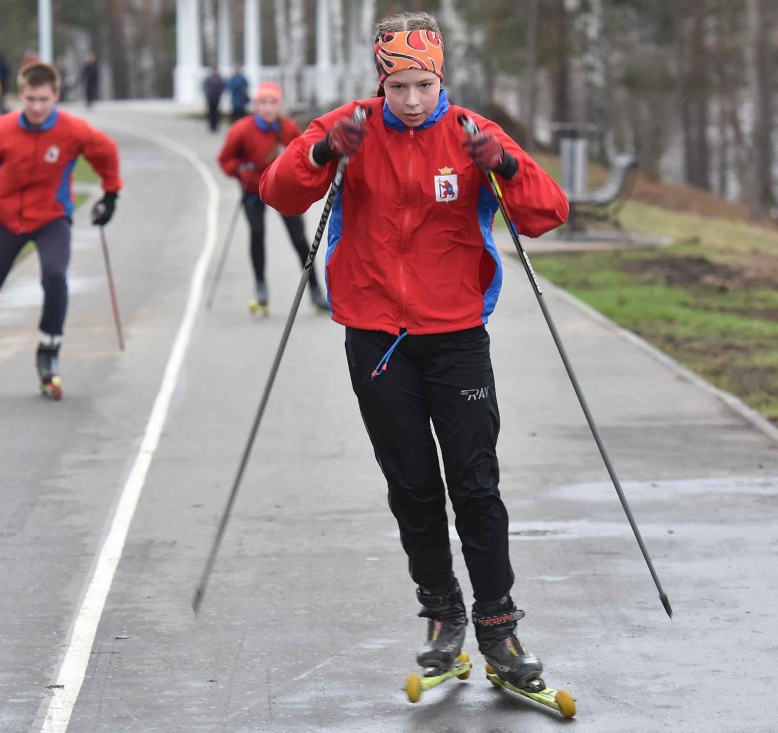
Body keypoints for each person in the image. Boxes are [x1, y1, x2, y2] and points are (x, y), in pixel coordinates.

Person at [260, 12, 569, 690]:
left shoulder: (471, 134)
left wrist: (507, 166)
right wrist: (321, 152)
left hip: (456, 337)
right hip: (376, 339)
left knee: (475, 484)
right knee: (413, 487)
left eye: (423, 84)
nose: (410, 99)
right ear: (381, 78)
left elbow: (549, 213)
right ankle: (441, 612)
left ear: (441, 78)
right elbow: (277, 191)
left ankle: (500, 624)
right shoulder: (349, 127)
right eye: (398, 84)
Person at [0, 62, 122, 400]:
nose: (37, 107)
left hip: (51, 216)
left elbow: (106, 153)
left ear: (56, 96)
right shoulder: (3, 129)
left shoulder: (73, 130)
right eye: (30, 99)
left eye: (44, 99)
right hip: (6, 217)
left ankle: (48, 351)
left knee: (55, 276)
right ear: (21, 95)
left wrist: (110, 195)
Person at [217, 81, 327, 314]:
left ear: (279, 105)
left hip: (281, 190)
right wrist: (240, 169)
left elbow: (305, 155)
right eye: (263, 102)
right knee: (257, 234)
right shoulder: (241, 130)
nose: (268, 108)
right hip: (253, 190)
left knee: (299, 239)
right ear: (256, 105)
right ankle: (261, 289)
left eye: (273, 102)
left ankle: (316, 291)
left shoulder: (288, 128)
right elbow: (225, 160)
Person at [203, 66, 225, 133]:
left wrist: (219, 94)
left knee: (216, 112)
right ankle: (211, 126)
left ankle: (215, 126)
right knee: (211, 112)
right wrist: (208, 94)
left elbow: (222, 87)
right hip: (210, 97)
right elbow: (205, 87)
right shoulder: (209, 78)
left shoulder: (219, 78)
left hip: (216, 97)